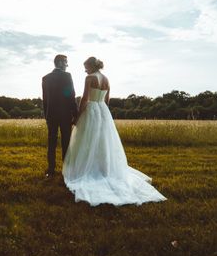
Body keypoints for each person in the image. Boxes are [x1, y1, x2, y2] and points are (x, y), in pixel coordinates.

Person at [62, 57, 167, 206]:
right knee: (103, 141)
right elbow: (107, 100)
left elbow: (85, 99)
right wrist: (103, 112)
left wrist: (78, 116)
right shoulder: (106, 78)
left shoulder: (89, 78)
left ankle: (88, 168)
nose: (85, 70)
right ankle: (104, 168)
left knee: (87, 140)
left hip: (91, 109)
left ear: (91, 66)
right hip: (102, 110)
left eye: (86, 67)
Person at [42, 54, 79, 178]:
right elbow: (70, 95)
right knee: (66, 142)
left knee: (51, 141)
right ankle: (66, 169)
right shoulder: (67, 76)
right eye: (65, 62)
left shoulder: (45, 78)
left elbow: (45, 100)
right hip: (65, 115)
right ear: (59, 63)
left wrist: (46, 115)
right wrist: (76, 114)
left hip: (51, 115)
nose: (67, 65)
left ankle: (51, 169)